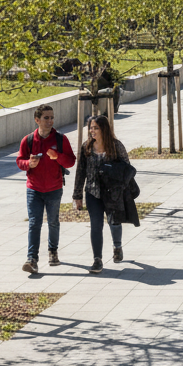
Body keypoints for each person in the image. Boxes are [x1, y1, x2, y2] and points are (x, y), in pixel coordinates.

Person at [17, 104, 77, 274]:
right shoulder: (28, 140)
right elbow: (20, 161)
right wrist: (29, 163)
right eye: (46, 118)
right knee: (34, 223)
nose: (50, 121)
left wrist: (57, 156)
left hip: (54, 188)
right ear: (37, 120)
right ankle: (32, 259)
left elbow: (71, 161)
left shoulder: (60, 139)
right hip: (34, 189)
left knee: (53, 221)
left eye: (52, 117)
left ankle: (53, 251)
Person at [72, 115, 133, 273]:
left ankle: (117, 246)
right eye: (90, 128)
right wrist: (77, 196)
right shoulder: (86, 147)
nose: (92, 131)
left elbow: (128, 168)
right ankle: (97, 260)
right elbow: (80, 172)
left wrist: (120, 185)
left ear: (103, 129)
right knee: (96, 225)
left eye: (95, 128)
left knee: (114, 221)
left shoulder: (115, 146)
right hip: (93, 192)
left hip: (112, 193)